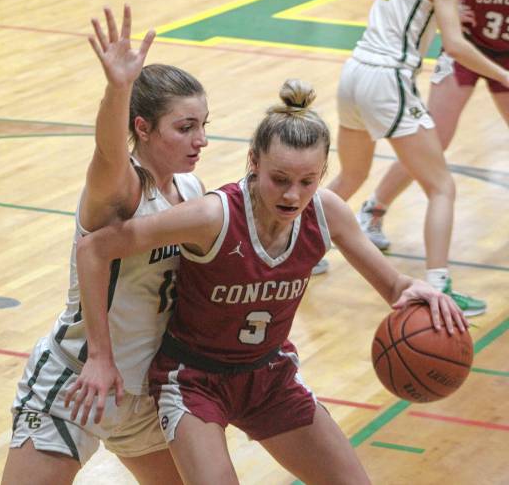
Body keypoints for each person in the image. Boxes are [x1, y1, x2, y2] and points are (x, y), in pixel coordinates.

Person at [71, 78, 467, 485]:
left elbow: (396, 287)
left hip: (268, 374)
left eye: (307, 181)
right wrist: (101, 355)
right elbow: (94, 249)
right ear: (253, 163)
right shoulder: (213, 216)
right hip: (193, 381)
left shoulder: (326, 212)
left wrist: (420, 292)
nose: (293, 196)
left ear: (322, 174)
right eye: (280, 179)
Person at [1, 5, 208, 485]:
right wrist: (118, 89)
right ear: (142, 128)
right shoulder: (121, 189)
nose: (200, 140)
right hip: (79, 380)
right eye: (185, 127)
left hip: (142, 393)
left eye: (204, 125)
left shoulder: (193, 193)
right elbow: (108, 149)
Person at [327, 0, 509, 317]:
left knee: (351, 174)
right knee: (442, 187)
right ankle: (438, 287)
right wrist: (503, 75)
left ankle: (288, 245)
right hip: (387, 78)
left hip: (354, 71)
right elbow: (454, 45)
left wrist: (447, 12)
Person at [356, 0, 508, 257]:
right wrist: (446, 9)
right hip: (466, 48)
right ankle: (374, 209)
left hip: (505, 54)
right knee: (432, 140)